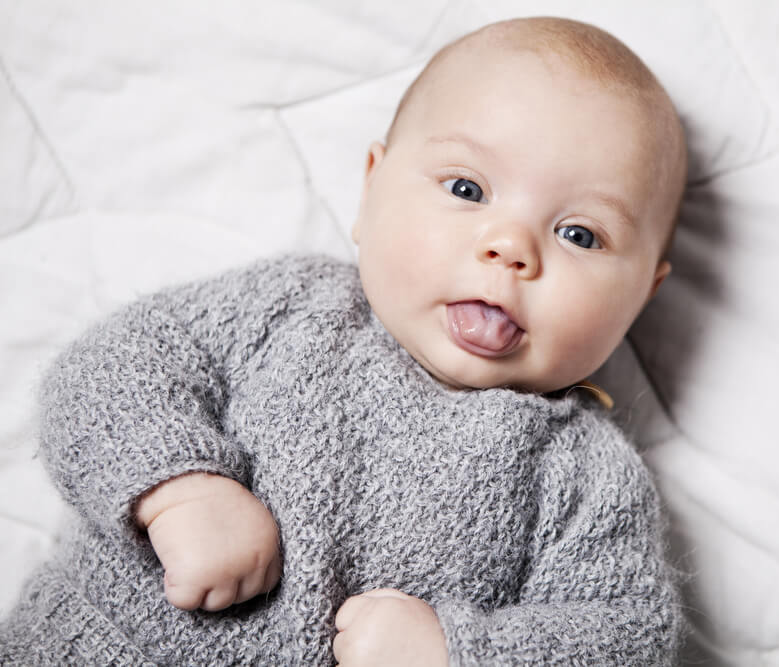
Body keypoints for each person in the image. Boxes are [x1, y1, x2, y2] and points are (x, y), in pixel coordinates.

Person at [0, 15, 687, 666]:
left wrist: (457, 651)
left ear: (642, 295)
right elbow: (111, 367)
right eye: (467, 188)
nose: (510, 247)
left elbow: (625, 637)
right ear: (371, 187)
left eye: (579, 234)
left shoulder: (588, 477)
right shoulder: (292, 304)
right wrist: (177, 487)